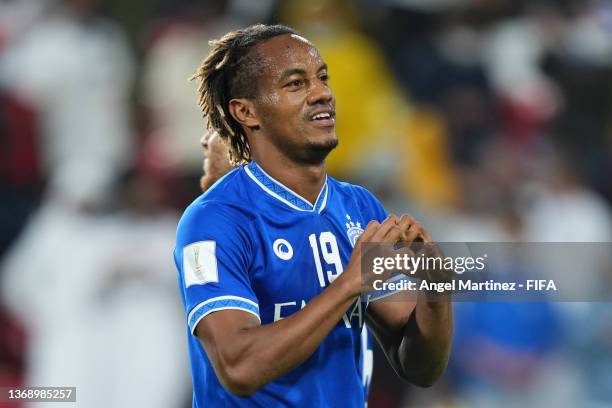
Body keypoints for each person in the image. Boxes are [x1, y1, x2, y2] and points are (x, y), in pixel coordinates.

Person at [174, 24, 453, 407]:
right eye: (295, 84)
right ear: (246, 111)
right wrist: (349, 283)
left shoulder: (359, 208)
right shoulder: (214, 221)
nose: (322, 93)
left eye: (322, 78)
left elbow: (419, 368)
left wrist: (436, 291)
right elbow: (240, 368)